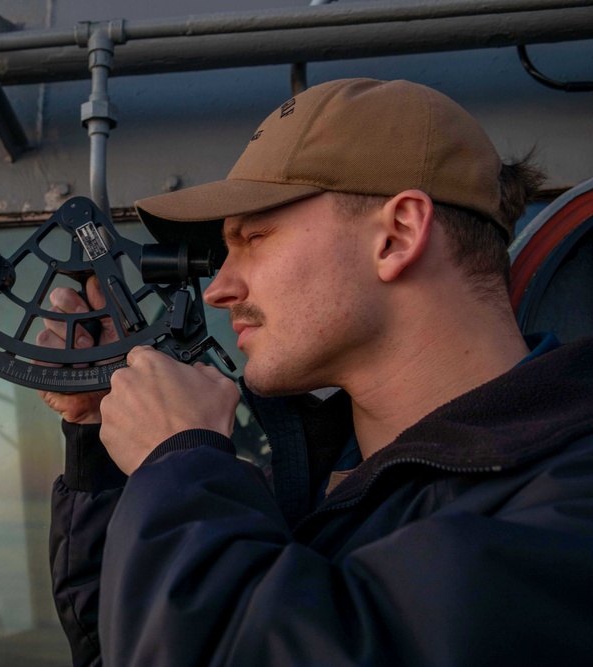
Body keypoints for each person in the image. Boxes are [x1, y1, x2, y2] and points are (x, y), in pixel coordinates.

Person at [37, 78, 593, 666]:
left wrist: (177, 464)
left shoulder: (569, 505)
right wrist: (113, 451)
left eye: (253, 236)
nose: (221, 288)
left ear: (397, 236)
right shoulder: (313, 485)